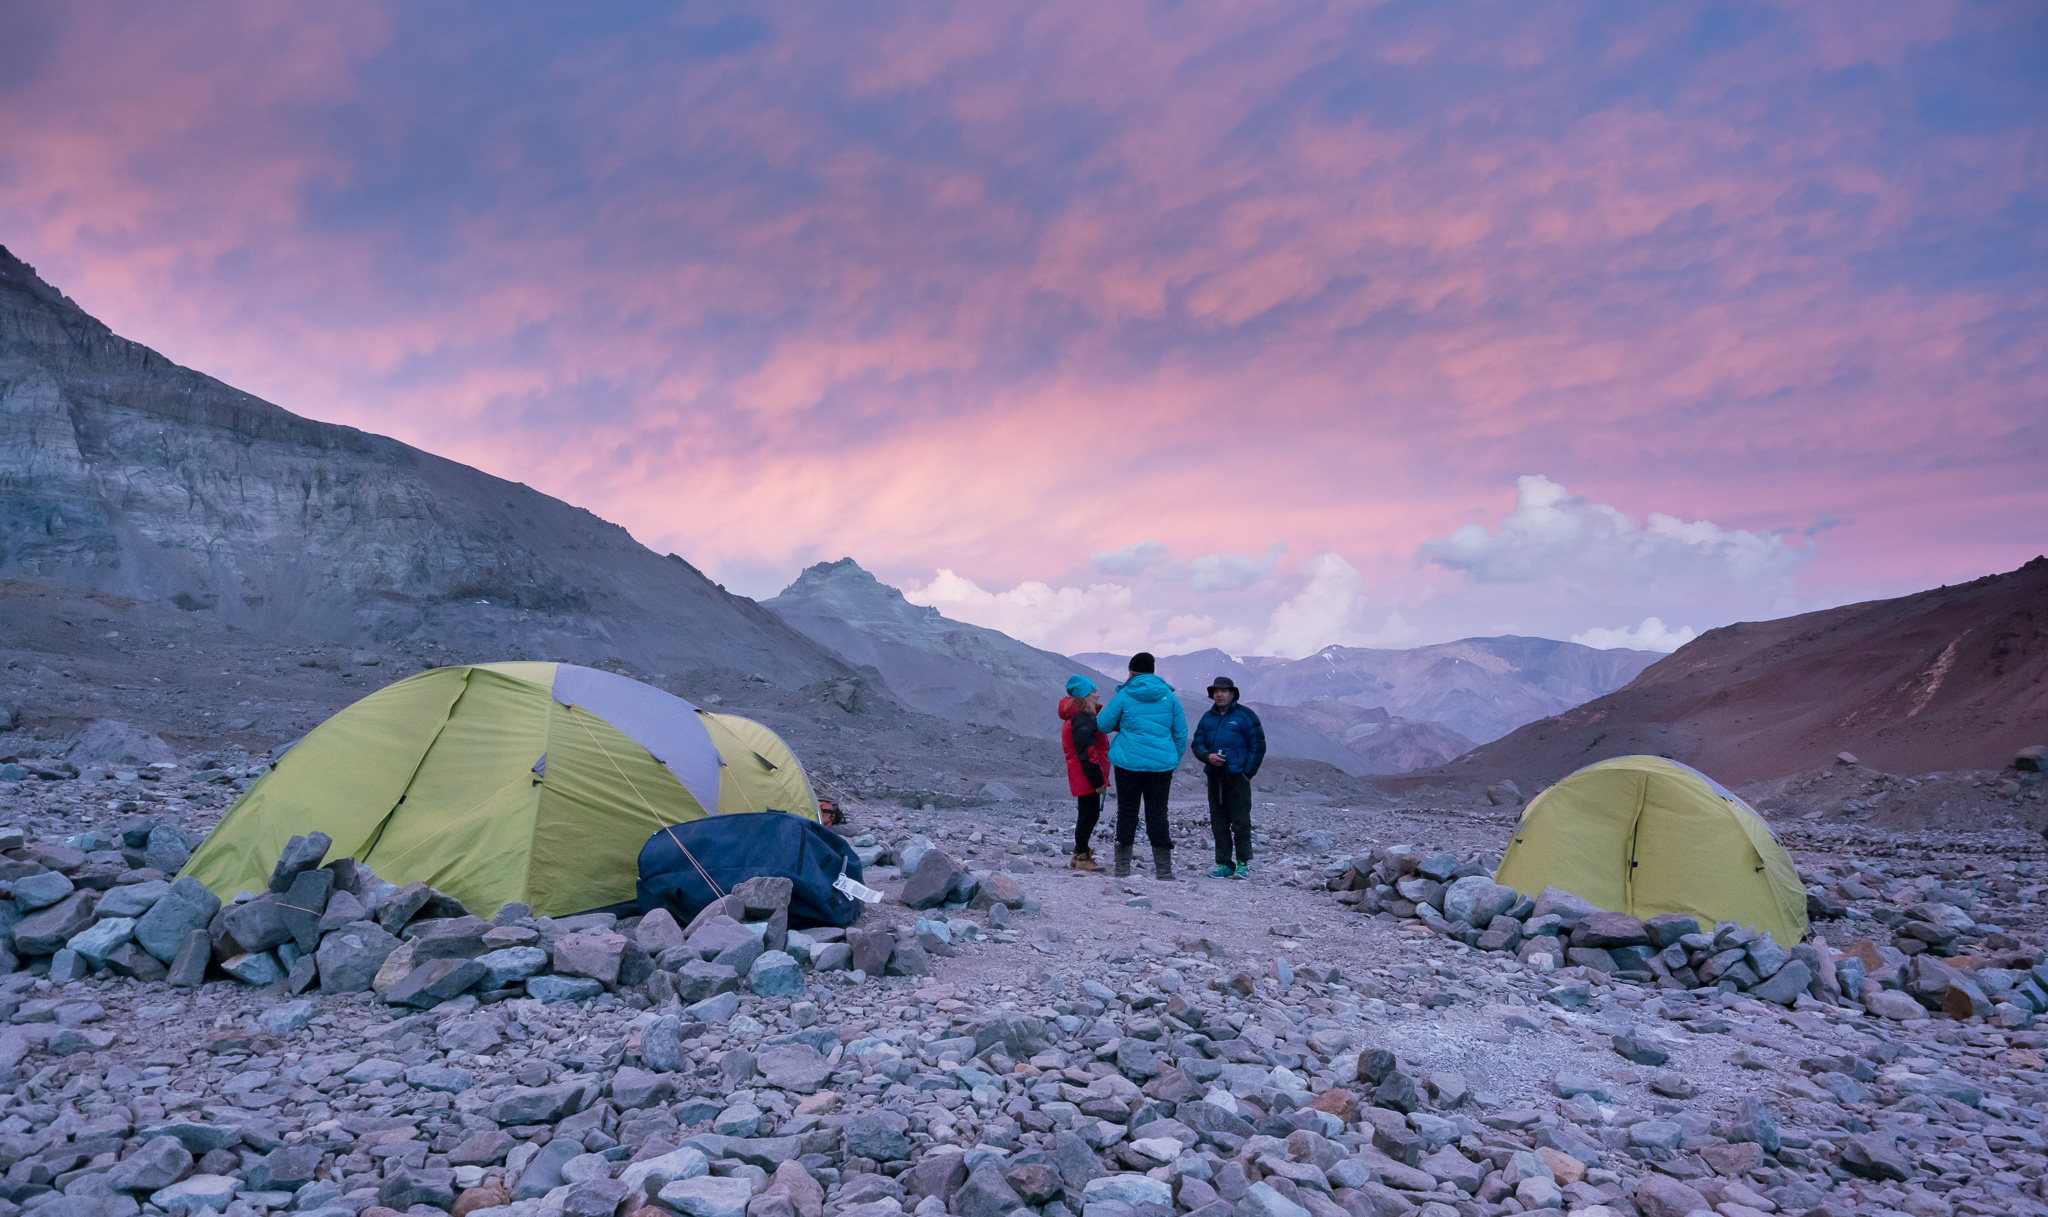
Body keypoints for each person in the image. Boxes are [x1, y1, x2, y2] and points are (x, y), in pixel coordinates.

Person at [1095, 652, 1188, 879]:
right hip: (1161, 767)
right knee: (1158, 814)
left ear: (1131, 672)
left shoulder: (1125, 694)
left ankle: (1122, 868)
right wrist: (1172, 759)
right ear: (1153, 671)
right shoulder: (1169, 696)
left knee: (1127, 812)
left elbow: (1103, 724)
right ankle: (1164, 871)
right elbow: (1181, 733)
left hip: (1128, 764)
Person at [1191, 676, 1264, 879]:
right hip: (1215, 777)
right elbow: (1197, 744)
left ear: (1232, 694)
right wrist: (1208, 757)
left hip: (1237, 777)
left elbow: (1258, 745)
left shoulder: (1245, 716)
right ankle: (1224, 864)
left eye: (1224, 691)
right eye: (1216, 691)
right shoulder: (1207, 718)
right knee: (1218, 822)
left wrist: (1247, 773)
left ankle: (1243, 864)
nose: (1219, 695)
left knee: (1240, 822)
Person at [1058, 675, 1109, 872]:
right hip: (1086, 773)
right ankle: (1081, 856)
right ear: (1084, 696)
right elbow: (1088, 753)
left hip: (1082, 772)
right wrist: (1097, 780)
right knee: (1089, 814)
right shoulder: (1082, 719)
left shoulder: (1078, 717)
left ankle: (1080, 854)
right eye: (1094, 692)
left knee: (1088, 813)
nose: (1097, 696)